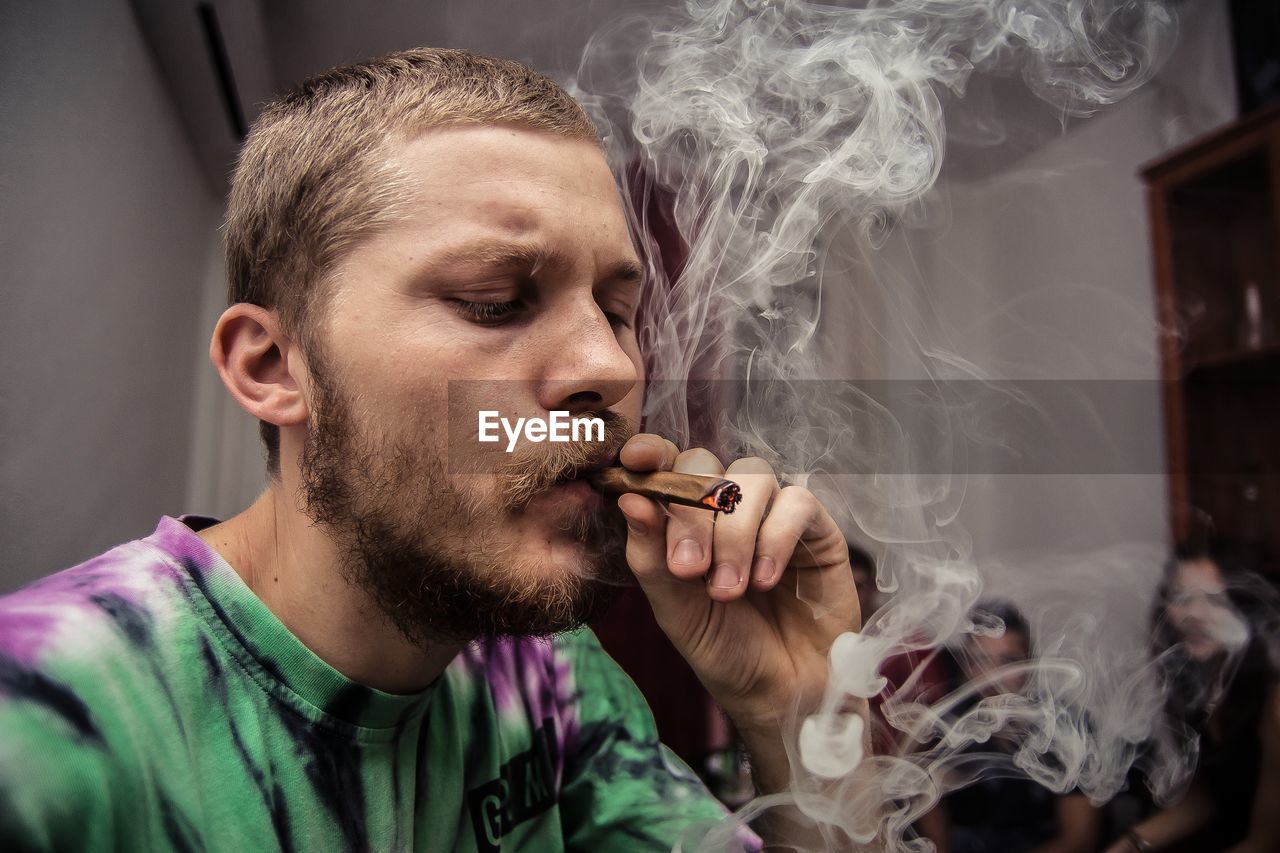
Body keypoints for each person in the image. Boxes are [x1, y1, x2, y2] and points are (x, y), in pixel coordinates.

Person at [0, 49, 861, 851]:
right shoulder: (45, 722)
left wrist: (802, 717)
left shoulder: (552, 676)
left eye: (616, 312)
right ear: (273, 367)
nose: (609, 367)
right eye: (495, 300)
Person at [1104, 545, 1280, 853]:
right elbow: (1204, 800)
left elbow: (1263, 842)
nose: (1194, 614)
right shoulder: (1197, 687)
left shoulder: (1274, 701)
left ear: (1245, 609)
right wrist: (1129, 845)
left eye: (1215, 599)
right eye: (1182, 598)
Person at [915, 601, 1102, 853]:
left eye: (1008, 661)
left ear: (1030, 663)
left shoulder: (1067, 727)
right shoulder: (944, 727)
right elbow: (933, 833)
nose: (993, 675)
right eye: (979, 660)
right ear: (965, 667)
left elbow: (1079, 840)